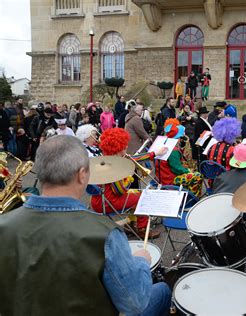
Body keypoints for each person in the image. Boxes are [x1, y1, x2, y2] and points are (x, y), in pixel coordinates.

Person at [0, 135, 171, 315]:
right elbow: (135, 303)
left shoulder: (3, 225)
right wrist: (142, 262)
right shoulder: (104, 233)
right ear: (82, 175)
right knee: (162, 291)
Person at [90, 128, 165, 239]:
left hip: (98, 200)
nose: (127, 147)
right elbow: (119, 191)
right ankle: (143, 230)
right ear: (119, 147)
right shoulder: (115, 166)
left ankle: (132, 224)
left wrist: (154, 154)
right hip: (108, 202)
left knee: (135, 193)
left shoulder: (107, 158)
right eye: (125, 145)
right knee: (143, 197)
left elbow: (134, 159)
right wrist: (129, 178)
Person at [155, 119, 203, 196]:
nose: (180, 139)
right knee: (198, 176)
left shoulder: (163, 143)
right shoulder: (173, 150)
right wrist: (188, 171)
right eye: (180, 137)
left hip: (162, 177)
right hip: (169, 180)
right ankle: (192, 198)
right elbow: (176, 169)